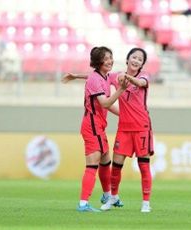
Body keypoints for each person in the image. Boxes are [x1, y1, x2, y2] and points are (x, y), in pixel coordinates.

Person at [63, 47, 154, 213]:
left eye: (140, 59)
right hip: (111, 127)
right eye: (133, 57)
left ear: (142, 65)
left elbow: (140, 83)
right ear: (127, 60)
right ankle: (99, 199)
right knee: (109, 166)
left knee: (131, 164)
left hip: (139, 127)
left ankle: (137, 201)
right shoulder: (114, 76)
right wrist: (121, 87)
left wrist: (125, 78)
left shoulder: (140, 77)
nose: (136, 61)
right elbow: (99, 82)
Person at [66, 46, 128, 212]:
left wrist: (126, 115)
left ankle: (107, 195)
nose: (110, 61)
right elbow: (106, 103)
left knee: (105, 160)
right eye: (106, 58)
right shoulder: (95, 79)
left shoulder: (103, 76)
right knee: (92, 165)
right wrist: (121, 90)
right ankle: (83, 203)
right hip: (91, 126)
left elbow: (95, 78)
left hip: (98, 126)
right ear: (98, 62)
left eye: (111, 57)